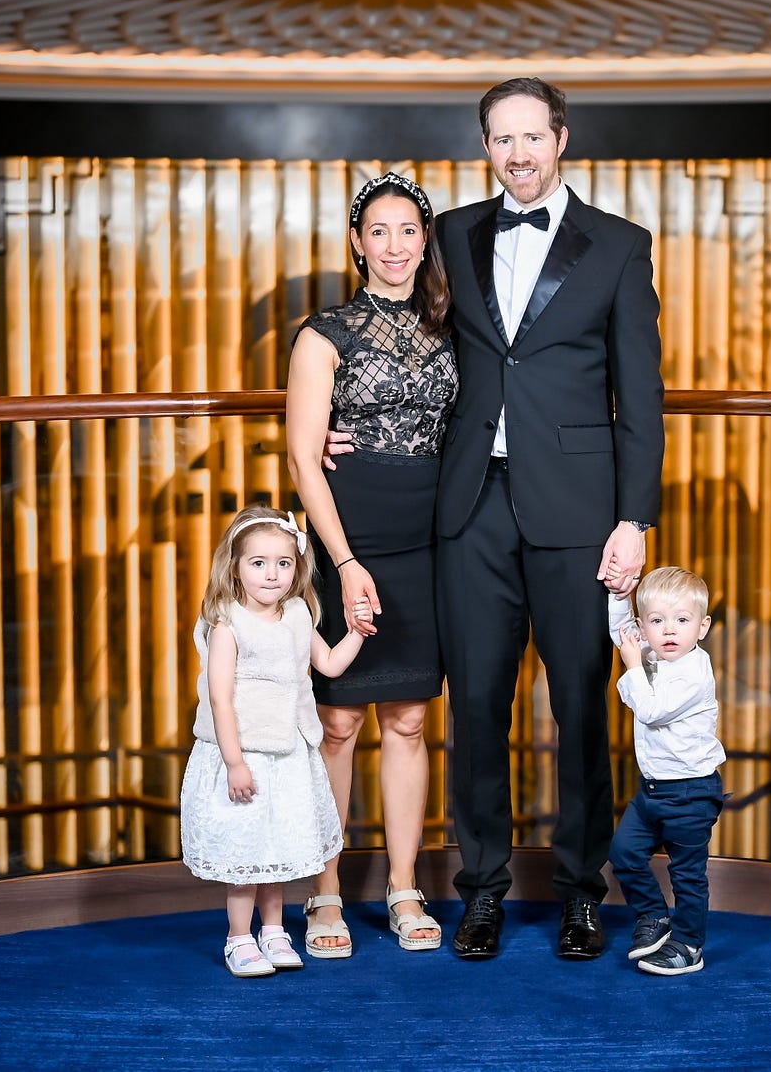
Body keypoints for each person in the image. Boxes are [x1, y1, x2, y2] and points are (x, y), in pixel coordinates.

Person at [435, 77, 665, 961]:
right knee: (478, 706)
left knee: (580, 708)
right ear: (485, 146)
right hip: (470, 505)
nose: (520, 154)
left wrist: (633, 519)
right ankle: (481, 890)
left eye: (534, 136)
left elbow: (640, 397)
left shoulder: (618, 245)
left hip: (579, 512)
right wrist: (343, 410)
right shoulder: (451, 233)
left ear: (561, 138)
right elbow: (413, 341)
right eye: (503, 139)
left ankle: (581, 892)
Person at [286, 171, 457, 956]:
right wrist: (345, 560)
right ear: (358, 242)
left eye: (409, 231)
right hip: (350, 536)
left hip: (433, 541)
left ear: (426, 242)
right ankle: (324, 893)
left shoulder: (456, 327)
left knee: (413, 719)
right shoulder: (324, 334)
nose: (395, 246)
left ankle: (403, 884)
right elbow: (302, 457)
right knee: (340, 719)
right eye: (379, 231)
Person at [178, 505, 368, 977]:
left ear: (297, 568)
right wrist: (235, 762)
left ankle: (274, 930)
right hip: (245, 754)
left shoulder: (300, 612)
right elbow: (221, 700)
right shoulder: (228, 623)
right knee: (247, 852)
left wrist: (358, 633)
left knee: (277, 853)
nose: (272, 574)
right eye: (258, 563)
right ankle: (238, 938)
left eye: (284, 563)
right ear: (235, 567)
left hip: (289, 754)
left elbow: (327, 665)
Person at [607, 567, 727, 976]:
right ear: (644, 626)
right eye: (657, 621)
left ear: (703, 626)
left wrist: (632, 664)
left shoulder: (694, 671)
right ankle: (654, 917)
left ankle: (690, 945)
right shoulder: (654, 656)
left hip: (691, 791)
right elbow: (622, 634)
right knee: (623, 853)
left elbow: (653, 710)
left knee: (687, 875)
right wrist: (618, 594)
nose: (669, 630)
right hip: (653, 790)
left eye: (682, 619)